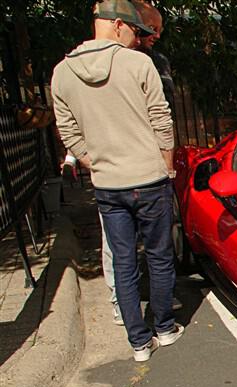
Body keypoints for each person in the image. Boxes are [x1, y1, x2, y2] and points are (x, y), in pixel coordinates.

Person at [52, 0, 183, 362]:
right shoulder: (138, 64)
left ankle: (139, 343)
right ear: (116, 25)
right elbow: (161, 118)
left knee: (123, 261)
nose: (139, 39)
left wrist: (92, 161)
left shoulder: (62, 72)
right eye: (136, 31)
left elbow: (68, 131)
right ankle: (165, 328)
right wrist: (167, 166)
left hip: (108, 183)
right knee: (158, 256)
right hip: (149, 176)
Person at [133, 1, 176, 115]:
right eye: (151, 28)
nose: (157, 36)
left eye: (159, 30)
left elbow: (165, 106)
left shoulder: (158, 61)